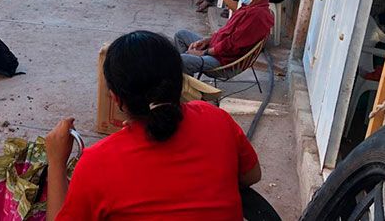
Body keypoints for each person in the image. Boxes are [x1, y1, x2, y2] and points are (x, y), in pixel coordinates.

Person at [45, 31, 261, 220]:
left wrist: (56, 162)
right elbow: (252, 176)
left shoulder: (97, 163)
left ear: (116, 98)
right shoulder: (216, 119)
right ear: (181, 81)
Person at [177, 0, 274, 75]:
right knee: (181, 35)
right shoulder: (250, 6)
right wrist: (207, 41)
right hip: (215, 49)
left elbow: (232, 45)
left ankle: (184, 76)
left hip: (224, 61)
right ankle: (186, 78)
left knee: (182, 60)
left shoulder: (257, 15)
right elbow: (226, 33)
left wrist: (203, 52)